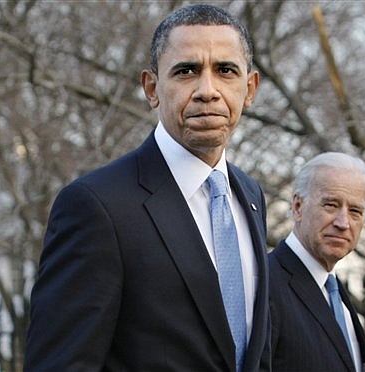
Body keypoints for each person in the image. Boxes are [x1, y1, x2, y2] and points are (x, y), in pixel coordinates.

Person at [25, 4, 269, 372]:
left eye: (225, 71)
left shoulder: (250, 197)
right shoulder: (97, 206)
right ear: (152, 88)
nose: (208, 90)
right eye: (186, 71)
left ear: (249, 89)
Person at [269, 152, 365, 372]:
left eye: (355, 211)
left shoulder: (336, 293)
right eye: (331, 205)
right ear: (298, 207)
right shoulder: (263, 283)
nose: (343, 223)